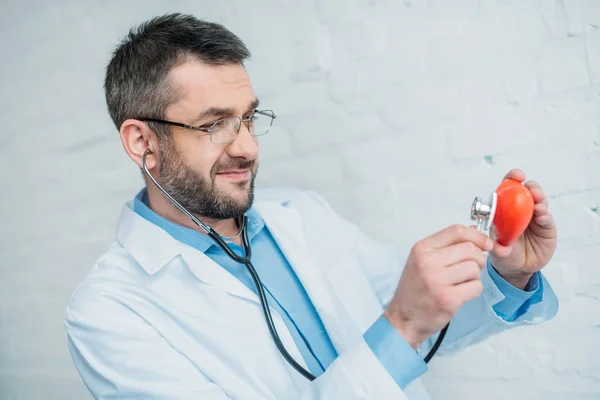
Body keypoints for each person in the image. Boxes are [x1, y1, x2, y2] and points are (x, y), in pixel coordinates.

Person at [65, 13, 559, 400]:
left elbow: (420, 327)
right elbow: (401, 327)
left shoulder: (301, 215)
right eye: (215, 123)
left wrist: (505, 273)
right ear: (141, 142)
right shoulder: (110, 313)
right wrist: (401, 325)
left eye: (249, 118)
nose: (248, 148)